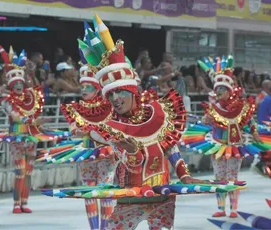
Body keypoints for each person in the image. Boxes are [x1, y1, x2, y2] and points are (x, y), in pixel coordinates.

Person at [84, 14, 207, 229]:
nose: (115, 99)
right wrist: (132, 153)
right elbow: (126, 158)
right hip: (132, 195)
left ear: (133, 91)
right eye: (111, 95)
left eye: (120, 92)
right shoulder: (111, 125)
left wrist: (185, 176)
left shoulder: (159, 113)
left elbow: (171, 148)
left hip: (162, 194)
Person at [0, 44, 68, 214]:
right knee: (20, 171)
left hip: (32, 137)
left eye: (20, 83)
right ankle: (16, 203)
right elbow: (16, 117)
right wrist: (35, 121)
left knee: (28, 171)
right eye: (15, 84)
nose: (19, 86)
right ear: (11, 85)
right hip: (17, 136)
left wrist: (30, 72)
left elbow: (35, 95)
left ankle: (24, 201)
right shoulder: (6, 100)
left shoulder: (30, 97)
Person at [198, 55, 261, 218]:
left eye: (222, 89)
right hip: (217, 145)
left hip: (234, 147)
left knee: (232, 177)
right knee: (219, 178)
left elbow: (249, 121)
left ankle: (233, 209)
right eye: (217, 89)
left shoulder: (239, 107)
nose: (218, 92)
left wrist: (254, 133)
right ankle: (221, 208)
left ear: (229, 90)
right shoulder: (213, 107)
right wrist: (206, 120)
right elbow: (206, 122)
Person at [61, 62, 117, 230]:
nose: (84, 90)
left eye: (89, 87)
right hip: (86, 154)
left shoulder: (110, 107)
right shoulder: (75, 109)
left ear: (98, 89)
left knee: (105, 189)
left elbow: (114, 129)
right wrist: (83, 132)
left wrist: (89, 132)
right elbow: (74, 130)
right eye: (82, 86)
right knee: (89, 190)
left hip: (107, 153)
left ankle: (105, 228)